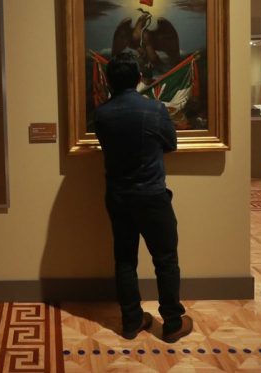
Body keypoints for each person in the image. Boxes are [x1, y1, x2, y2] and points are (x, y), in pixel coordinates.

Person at [93, 53, 193, 343]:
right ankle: (172, 323)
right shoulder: (154, 109)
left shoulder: (101, 113)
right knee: (165, 259)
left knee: (125, 259)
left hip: (118, 196)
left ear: (109, 80)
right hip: (151, 195)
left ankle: (131, 320)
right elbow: (171, 144)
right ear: (138, 78)